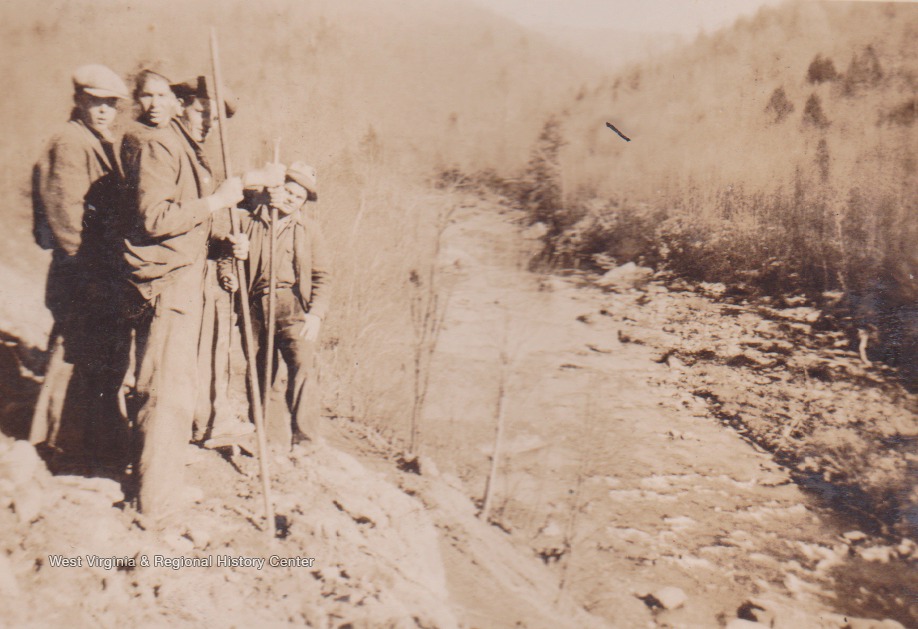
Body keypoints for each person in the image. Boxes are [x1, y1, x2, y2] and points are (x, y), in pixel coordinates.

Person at [119, 69, 246, 519]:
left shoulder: (188, 150)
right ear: (179, 103)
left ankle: (163, 480)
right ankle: (155, 499)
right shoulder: (160, 144)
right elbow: (154, 219)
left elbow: (184, 226)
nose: (209, 120)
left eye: (216, 116)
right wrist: (217, 203)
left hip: (185, 280)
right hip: (166, 284)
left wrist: (222, 240)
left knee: (177, 388)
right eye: (201, 109)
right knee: (165, 389)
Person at [31, 64, 131, 473]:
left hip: (97, 269)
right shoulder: (70, 142)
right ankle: (55, 443)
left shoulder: (97, 141)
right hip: (81, 271)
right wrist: (91, 272)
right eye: (96, 102)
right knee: (74, 354)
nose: (105, 111)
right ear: (79, 101)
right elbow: (66, 214)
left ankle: (73, 440)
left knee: (88, 356)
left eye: (111, 104)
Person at [220, 162, 331, 449]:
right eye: (289, 192)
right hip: (254, 305)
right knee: (260, 370)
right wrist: (228, 274)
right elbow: (226, 256)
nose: (292, 200)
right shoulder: (249, 219)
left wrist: (316, 315)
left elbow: (323, 276)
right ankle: (263, 437)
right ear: (278, 189)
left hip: (292, 305)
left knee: (303, 367)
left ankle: (305, 441)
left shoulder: (309, 230)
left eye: (299, 198)